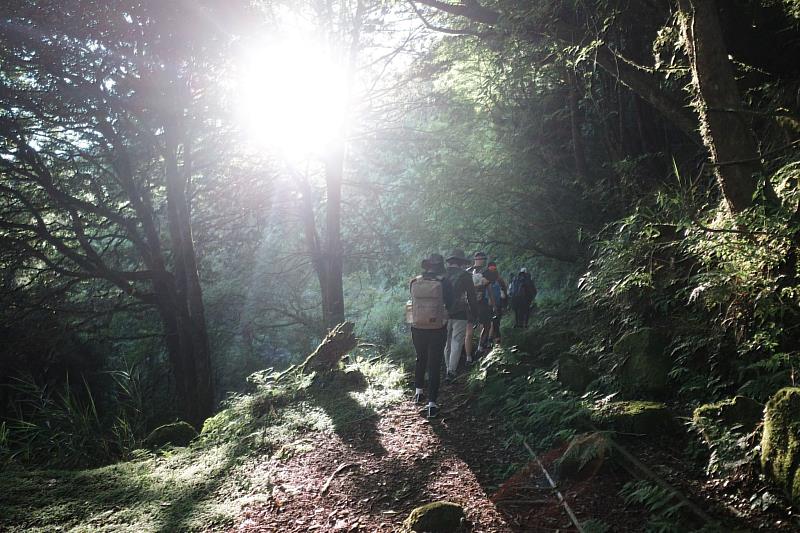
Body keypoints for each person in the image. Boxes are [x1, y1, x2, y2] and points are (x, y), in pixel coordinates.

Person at [409, 253, 453, 418]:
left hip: (417, 327)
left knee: (420, 357)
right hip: (437, 327)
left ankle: (419, 392)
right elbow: (450, 303)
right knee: (434, 363)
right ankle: (432, 404)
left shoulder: (414, 281)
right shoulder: (444, 282)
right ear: (440, 267)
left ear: (425, 266)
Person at [443, 249, 477, 381]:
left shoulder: (442, 275)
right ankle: (451, 371)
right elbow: (471, 296)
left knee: (447, 342)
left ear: (450, 261)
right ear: (461, 262)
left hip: (443, 313)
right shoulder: (465, 275)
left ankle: (447, 368)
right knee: (457, 341)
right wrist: (475, 313)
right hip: (460, 313)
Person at [465, 251, 492, 363]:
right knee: (482, 327)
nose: (482, 261)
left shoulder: (467, 272)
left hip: (469, 303)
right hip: (479, 303)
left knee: (474, 329)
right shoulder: (485, 272)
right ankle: (476, 351)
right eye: (482, 259)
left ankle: (470, 355)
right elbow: (488, 285)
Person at [483, 261, 508, 347]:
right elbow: (504, 291)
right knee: (495, 322)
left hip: (488, 304)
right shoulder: (498, 278)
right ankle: (492, 340)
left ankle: (488, 341)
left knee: (490, 323)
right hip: (495, 304)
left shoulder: (484, 277)